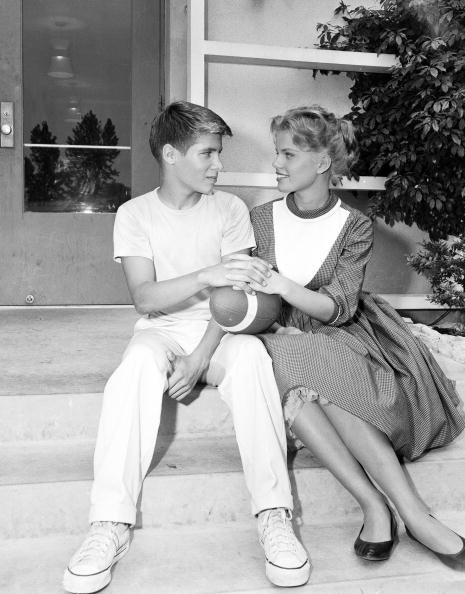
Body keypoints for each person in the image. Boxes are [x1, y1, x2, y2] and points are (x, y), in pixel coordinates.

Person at [63, 101, 310, 593]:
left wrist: (200, 356)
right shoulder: (135, 214)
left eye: (219, 153)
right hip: (161, 328)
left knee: (253, 359)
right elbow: (144, 298)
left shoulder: (230, 209)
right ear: (172, 155)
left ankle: (274, 514)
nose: (218, 165)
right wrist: (206, 275)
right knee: (135, 366)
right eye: (208, 154)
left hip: (218, 331)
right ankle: (109, 524)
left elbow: (236, 300)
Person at [227, 105, 465, 569]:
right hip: (277, 331)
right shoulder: (259, 219)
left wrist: (285, 287)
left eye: (287, 153)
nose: (276, 163)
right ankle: (377, 506)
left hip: (343, 327)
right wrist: (276, 321)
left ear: (321, 163)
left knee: (322, 376)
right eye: (277, 152)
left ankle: (412, 514)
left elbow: (339, 307)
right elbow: (249, 298)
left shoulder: (353, 224)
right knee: (290, 362)